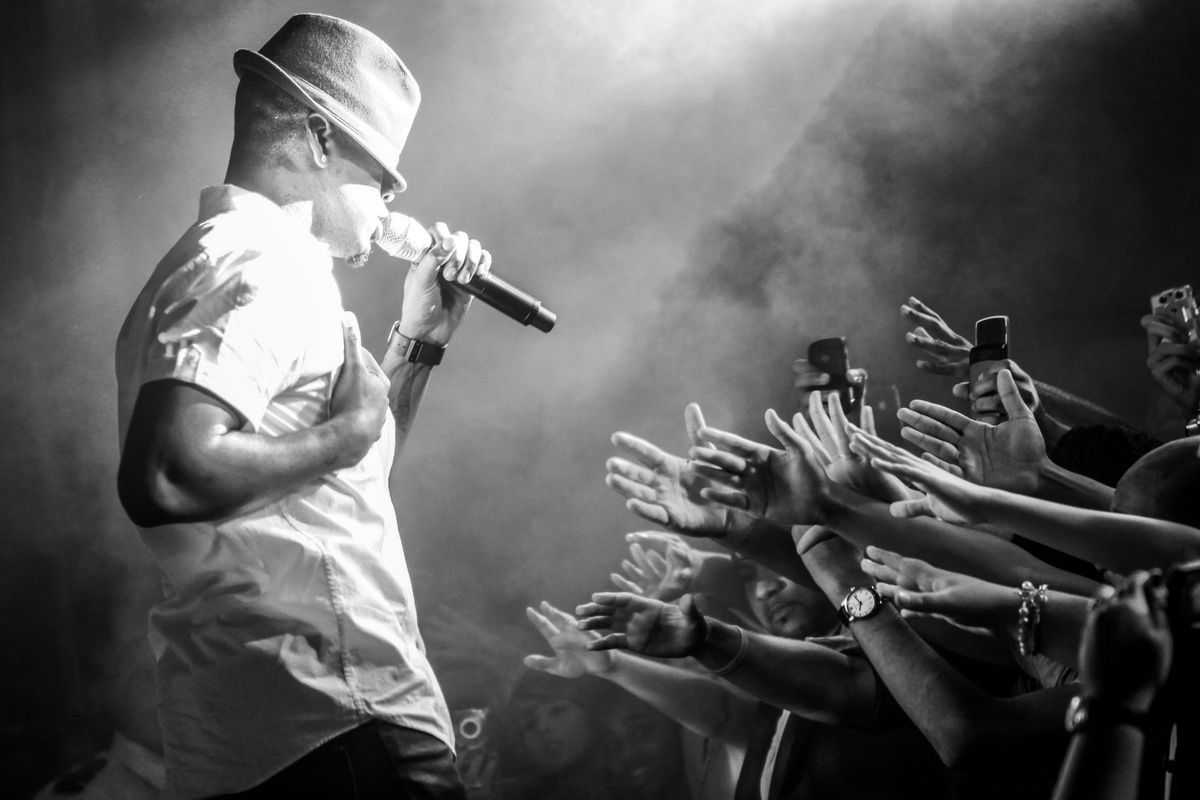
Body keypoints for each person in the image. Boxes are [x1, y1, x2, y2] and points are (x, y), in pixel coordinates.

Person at [115, 14, 489, 799]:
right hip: (334, 720)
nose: (390, 199)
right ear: (319, 138)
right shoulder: (257, 261)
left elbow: (341, 486)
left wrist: (416, 346)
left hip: (279, 735)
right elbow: (167, 475)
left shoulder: (248, 264)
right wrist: (343, 436)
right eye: (383, 176)